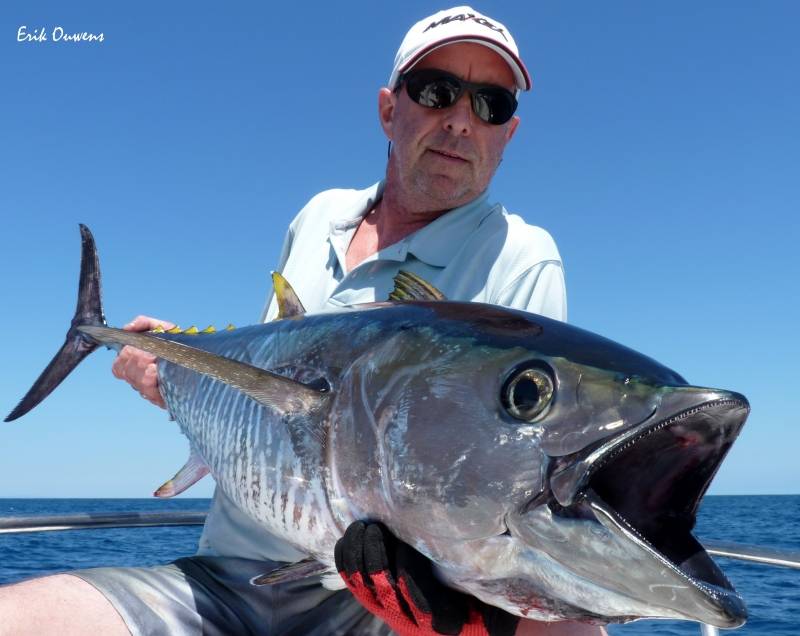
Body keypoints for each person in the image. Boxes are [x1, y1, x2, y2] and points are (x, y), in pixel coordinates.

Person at [0, 7, 605, 636]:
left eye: (492, 103)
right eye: (436, 91)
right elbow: (273, 382)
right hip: (224, 581)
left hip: (378, 610)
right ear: (387, 110)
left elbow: (524, 464)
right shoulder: (320, 214)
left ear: (508, 136)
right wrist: (174, 374)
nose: (460, 119)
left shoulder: (519, 256)